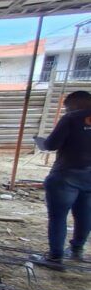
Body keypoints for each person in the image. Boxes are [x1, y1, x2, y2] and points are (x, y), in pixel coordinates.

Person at [33, 90, 91, 270]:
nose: (66, 110)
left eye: (67, 107)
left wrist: (40, 142)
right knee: (85, 214)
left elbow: (51, 145)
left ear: (75, 104)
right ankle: (77, 250)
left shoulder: (71, 119)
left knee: (58, 216)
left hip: (66, 175)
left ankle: (55, 257)